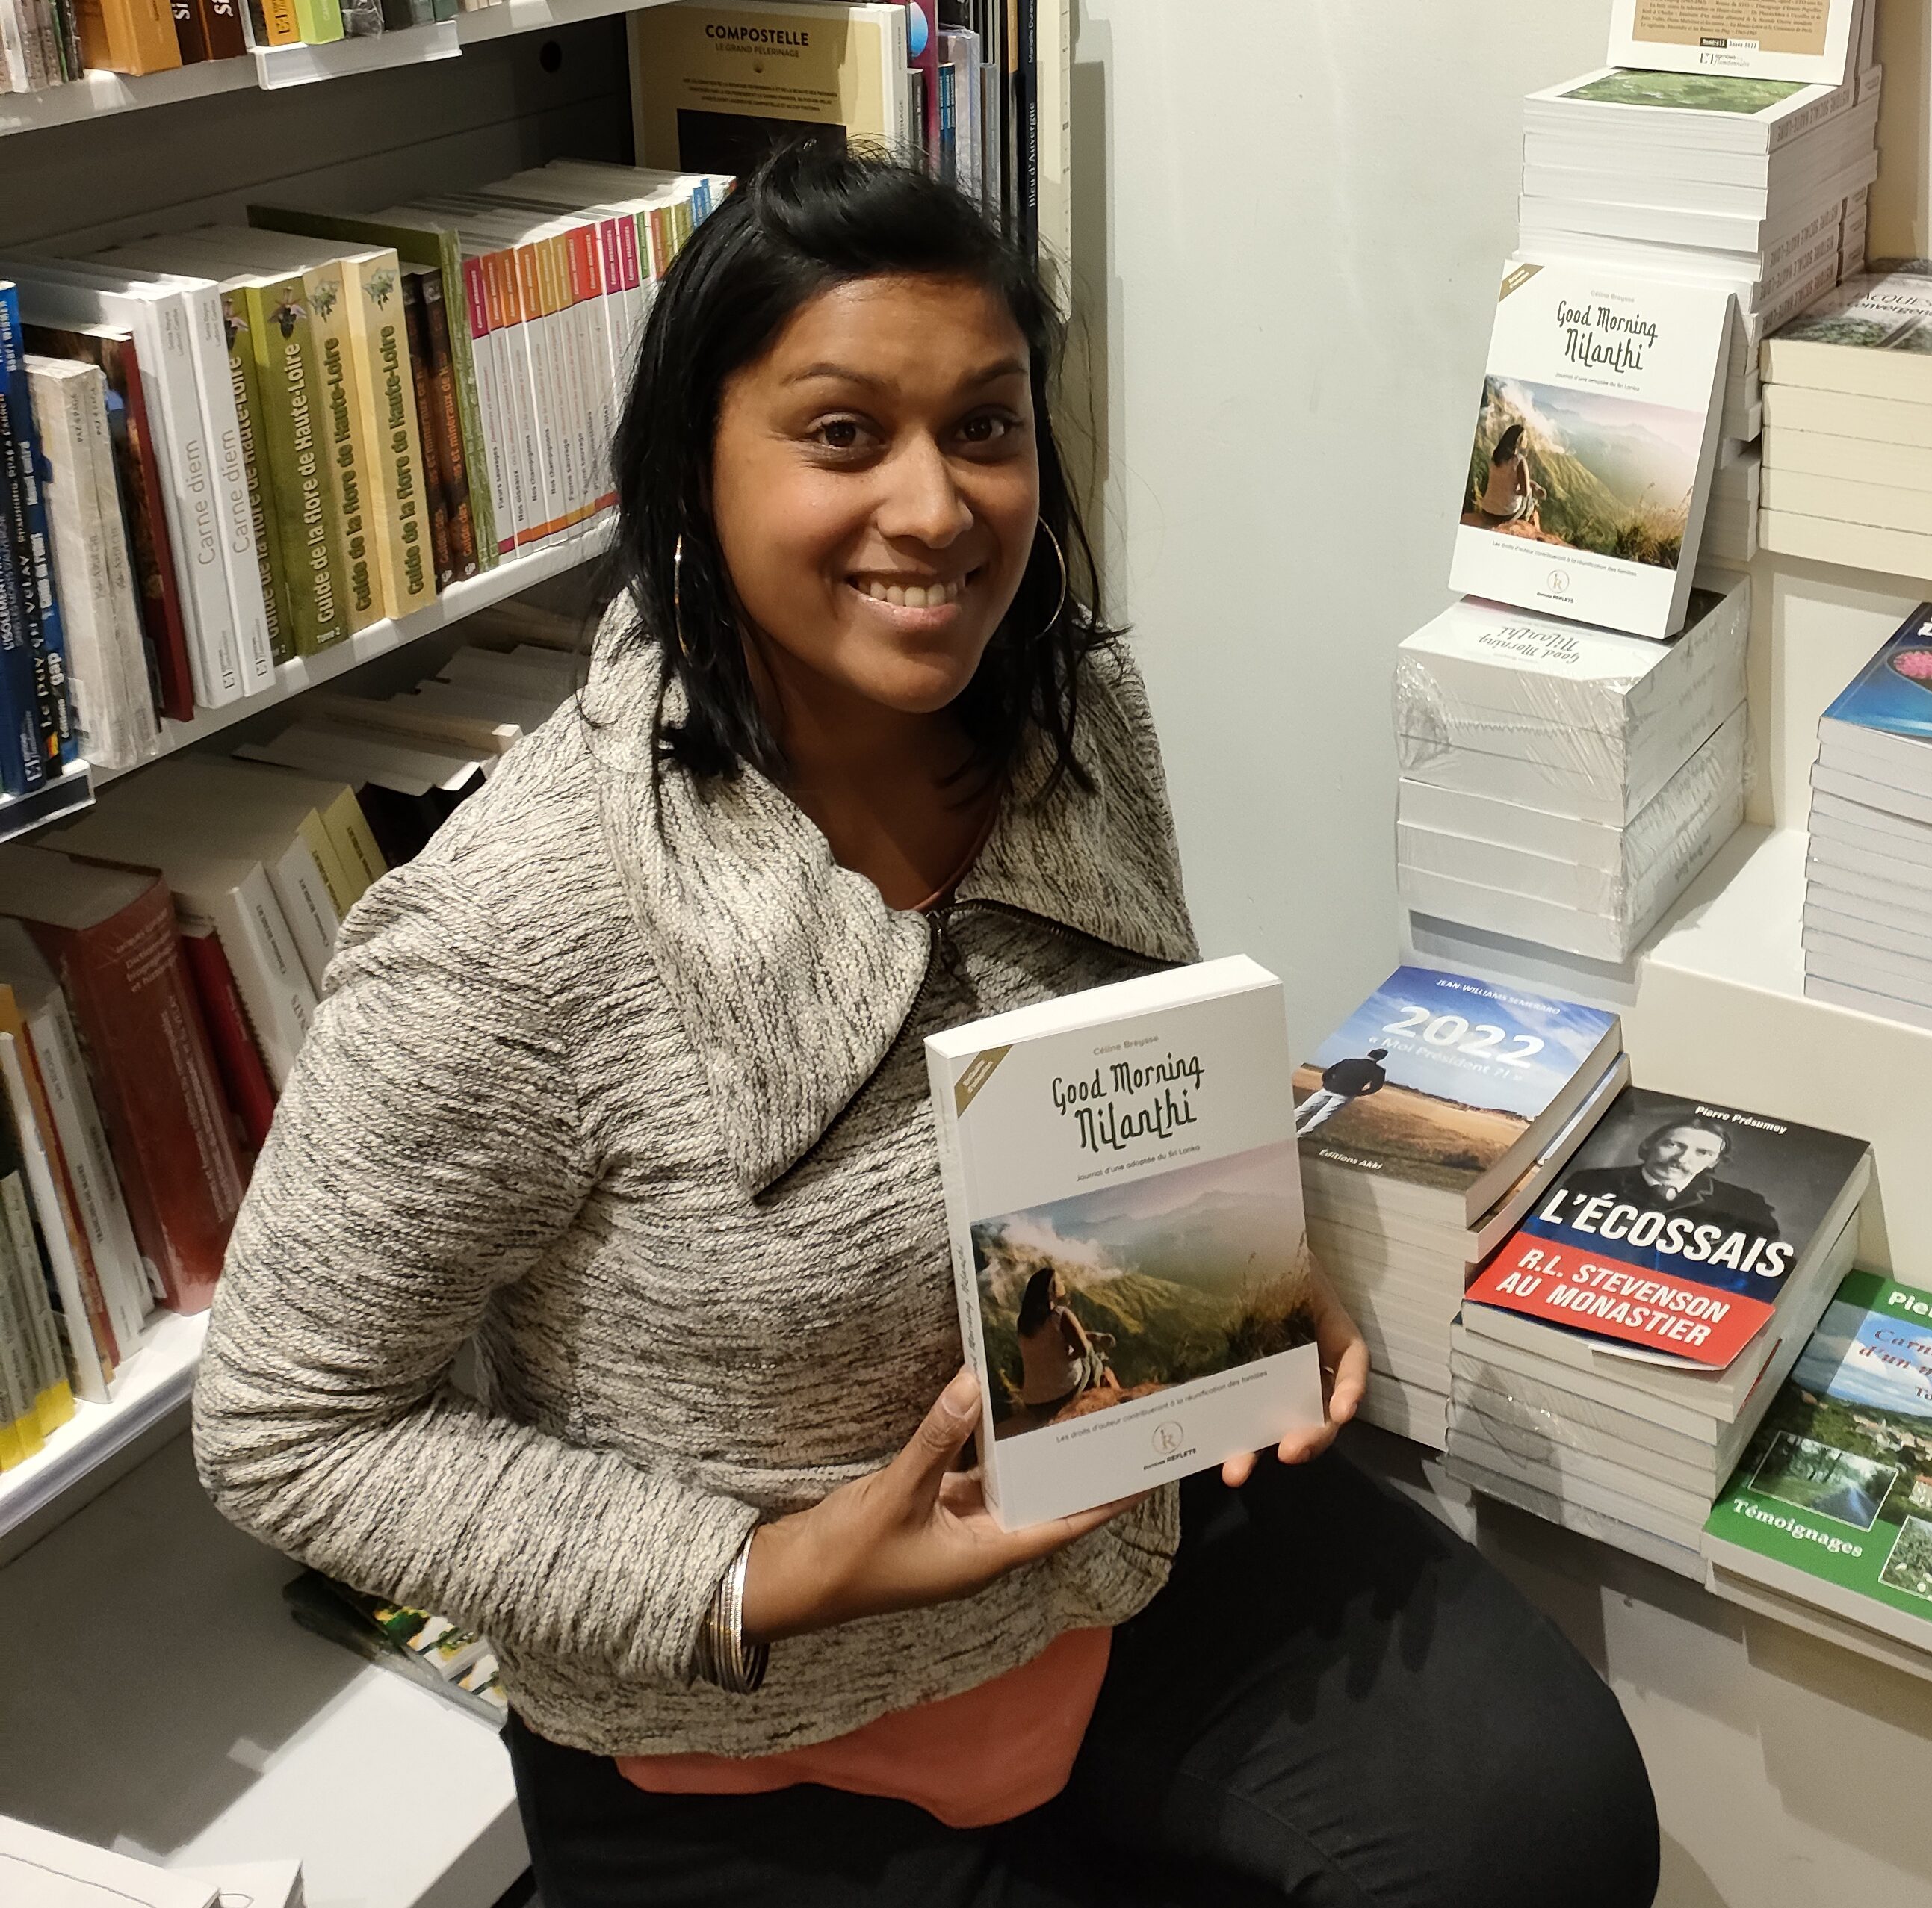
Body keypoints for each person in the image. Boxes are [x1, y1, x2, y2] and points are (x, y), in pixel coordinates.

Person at [193, 143, 1660, 1908]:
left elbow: (1115, 1084)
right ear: (692, 472)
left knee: (1551, 1823)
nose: (938, 506)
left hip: (1119, 1551)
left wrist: (1230, 1269)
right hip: (756, 1730)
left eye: (984, 427)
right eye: (841, 434)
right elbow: (284, 1421)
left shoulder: (1070, 712)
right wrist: (768, 1570)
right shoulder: (517, 925)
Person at [1558, 1116, 1780, 1245]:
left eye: (1702, 1153)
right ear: (1650, 1143)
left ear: (1714, 1162)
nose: (1681, 1159)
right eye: (1673, 1145)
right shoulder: (1589, 1181)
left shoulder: (1746, 1205)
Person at [1012, 1268, 1112, 1416]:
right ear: (1051, 1289)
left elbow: (1060, 1335)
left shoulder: (1024, 1322)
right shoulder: (1060, 1314)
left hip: (1033, 1403)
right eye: (1059, 1281)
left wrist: (1094, 1336)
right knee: (1091, 1355)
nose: (1063, 1282)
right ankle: (1094, 1397)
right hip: (1062, 1396)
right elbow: (1083, 1350)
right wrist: (1071, 1355)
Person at [1292, 1044, 1387, 1135]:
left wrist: (1327, 1083)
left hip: (1329, 1088)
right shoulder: (1379, 1071)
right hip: (1345, 1095)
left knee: (1304, 1108)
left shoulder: (1348, 1061)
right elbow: (1376, 1087)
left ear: (1369, 1053)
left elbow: (1328, 1073)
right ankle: (1301, 1134)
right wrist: (1360, 1093)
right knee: (1324, 1115)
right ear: (1381, 1058)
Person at [1469, 419, 1535, 527]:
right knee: (1529, 494)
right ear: (1519, 440)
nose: (1527, 439)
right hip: (1505, 515)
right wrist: (1517, 491)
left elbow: (1507, 478)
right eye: (1525, 437)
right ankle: (1524, 521)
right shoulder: (1519, 461)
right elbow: (1525, 492)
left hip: (1487, 511)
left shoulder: (1496, 457)